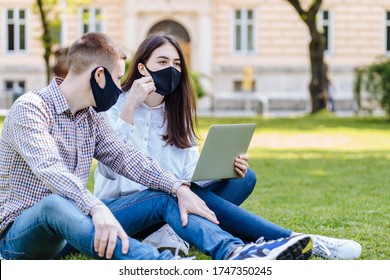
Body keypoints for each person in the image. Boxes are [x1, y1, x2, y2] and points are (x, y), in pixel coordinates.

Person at [0, 32, 312, 260]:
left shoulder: (89, 119)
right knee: (56, 204)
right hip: (20, 237)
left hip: (74, 232)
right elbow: (50, 169)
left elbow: (131, 160)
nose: (121, 85)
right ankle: (160, 264)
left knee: (162, 196)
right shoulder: (31, 108)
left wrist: (179, 188)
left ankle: (234, 252)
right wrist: (95, 208)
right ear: (99, 76)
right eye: (118, 77)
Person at [94, 33, 362, 260]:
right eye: (162, 62)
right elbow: (110, 171)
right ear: (142, 68)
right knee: (173, 194)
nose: (171, 70)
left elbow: (188, 174)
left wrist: (222, 168)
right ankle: (297, 239)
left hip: (175, 205)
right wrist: (129, 109)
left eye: (177, 63)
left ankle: (171, 232)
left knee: (244, 179)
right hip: (126, 211)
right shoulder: (114, 104)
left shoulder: (176, 113)